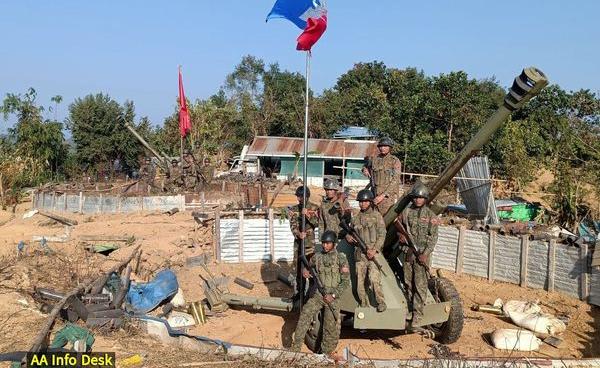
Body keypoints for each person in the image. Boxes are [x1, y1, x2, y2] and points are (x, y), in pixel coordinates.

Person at [291, 230, 350, 356]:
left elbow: (345, 282)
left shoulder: (341, 258)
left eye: (328, 243)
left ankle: (326, 354)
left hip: (333, 297)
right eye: (323, 243)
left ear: (334, 243)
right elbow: (307, 267)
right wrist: (305, 272)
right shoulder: (317, 257)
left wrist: (333, 295)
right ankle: (295, 349)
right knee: (305, 315)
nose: (325, 245)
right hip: (319, 295)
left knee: (330, 327)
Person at [395, 183, 439, 326]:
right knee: (408, 283)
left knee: (420, 286)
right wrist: (400, 236)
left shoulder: (431, 215)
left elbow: (433, 238)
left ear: (425, 199)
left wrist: (425, 254)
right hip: (409, 253)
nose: (417, 200)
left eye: (421, 198)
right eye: (416, 197)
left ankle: (418, 315)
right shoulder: (406, 212)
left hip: (422, 255)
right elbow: (399, 228)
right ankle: (410, 310)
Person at [346, 189, 387, 312]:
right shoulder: (356, 218)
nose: (362, 204)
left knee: (374, 280)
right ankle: (364, 304)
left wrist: (375, 250)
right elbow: (349, 233)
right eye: (360, 202)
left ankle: (381, 302)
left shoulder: (377, 216)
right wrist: (349, 238)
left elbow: (382, 234)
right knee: (359, 282)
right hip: (360, 255)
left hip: (373, 254)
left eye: (365, 202)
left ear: (370, 202)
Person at [288, 186, 320, 291]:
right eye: (298, 197)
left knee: (310, 268)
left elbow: (317, 224)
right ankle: (299, 292)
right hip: (298, 244)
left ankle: (311, 292)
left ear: (307, 196)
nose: (299, 199)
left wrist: (308, 215)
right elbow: (292, 225)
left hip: (310, 244)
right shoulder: (293, 209)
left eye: (301, 197)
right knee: (298, 269)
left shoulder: (315, 208)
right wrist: (298, 233)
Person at [362, 136, 402, 215]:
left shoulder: (394, 161)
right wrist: (364, 169)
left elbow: (395, 180)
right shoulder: (374, 159)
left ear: (390, 147)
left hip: (387, 197)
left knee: (385, 220)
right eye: (381, 146)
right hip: (374, 194)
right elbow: (365, 166)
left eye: (385, 146)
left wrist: (382, 196)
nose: (382, 148)